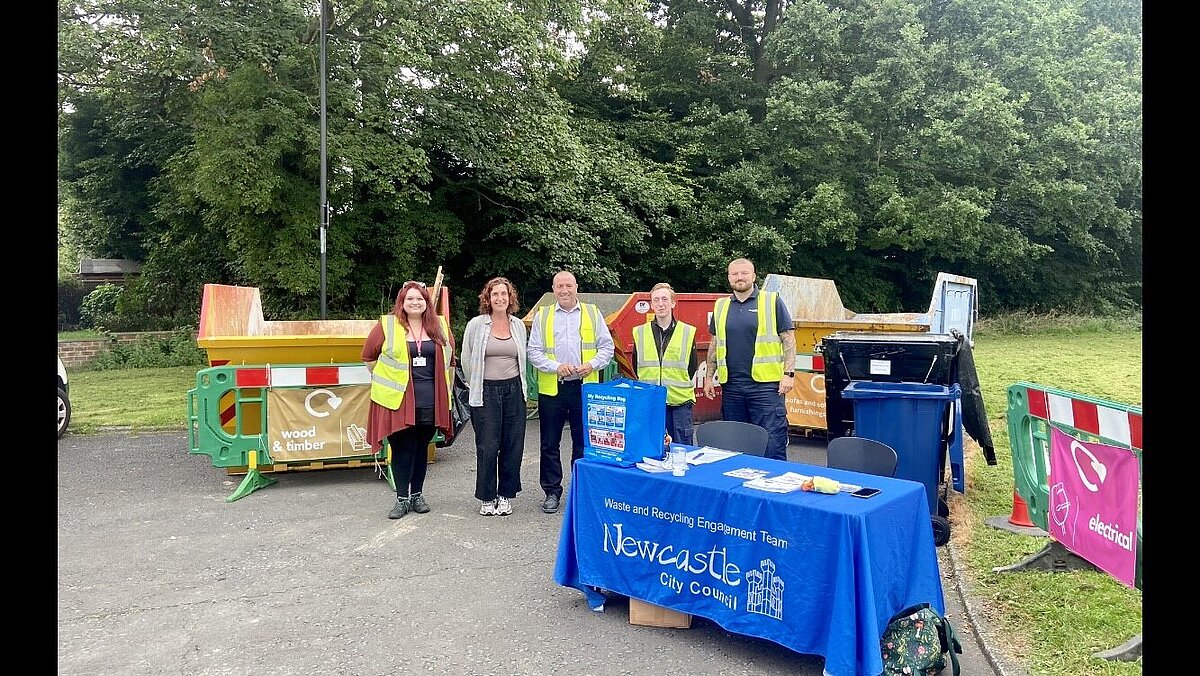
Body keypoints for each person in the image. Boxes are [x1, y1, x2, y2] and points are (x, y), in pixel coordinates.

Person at [362, 281, 454, 519]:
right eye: (410, 299)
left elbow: (450, 359)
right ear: (401, 302)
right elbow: (369, 356)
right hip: (398, 401)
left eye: (420, 299)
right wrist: (385, 378)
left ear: (427, 303)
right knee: (402, 449)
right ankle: (402, 498)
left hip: (429, 401)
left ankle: (417, 495)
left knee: (421, 449)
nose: (415, 303)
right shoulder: (388, 325)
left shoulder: (439, 325)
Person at [526, 270, 615, 514]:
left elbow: (607, 348)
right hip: (553, 388)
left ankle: (580, 491)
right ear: (553, 289)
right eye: (559, 286)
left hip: (585, 387)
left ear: (577, 287)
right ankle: (552, 491)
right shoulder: (543, 316)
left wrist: (592, 364)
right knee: (549, 443)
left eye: (568, 285)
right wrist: (556, 367)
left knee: (584, 443)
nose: (564, 290)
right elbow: (533, 351)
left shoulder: (592, 313)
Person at [702, 258, 796, 460]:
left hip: (766, 388)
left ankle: (774, 486)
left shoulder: (772, 301)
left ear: (753, 276)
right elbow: (715, 343)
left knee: (772, 443)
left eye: (744, 273)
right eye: (735, 274)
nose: (739, 277)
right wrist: (709, 377)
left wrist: (788, 374)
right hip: (732, 388)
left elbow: (788, 339)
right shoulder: (721, 306)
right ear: (729, 278)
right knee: (736, 444)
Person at [461, 277, 529, 517]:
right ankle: (487, 497)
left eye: (504, 294)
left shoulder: (518, 325)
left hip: (513, 391)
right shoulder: (477, 325)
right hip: (486, 391)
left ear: (511, 298)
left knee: (513, 445)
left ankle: (505, 495)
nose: (500, 298)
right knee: (488, 446)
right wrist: (475, 385)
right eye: (495, 294)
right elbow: (467, 359)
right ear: (487, 299)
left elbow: (523, 360)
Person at [632, 282, 699, 445]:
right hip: (651, 401)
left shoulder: (687, 332)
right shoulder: (639, 332)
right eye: (656, 300)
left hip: (680, 404)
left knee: (682, 450)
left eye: (664, 299)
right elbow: (636, 365)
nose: (660, 304)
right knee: (651, 449)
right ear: (651, 304)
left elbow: (692, 367)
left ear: (673, 303)